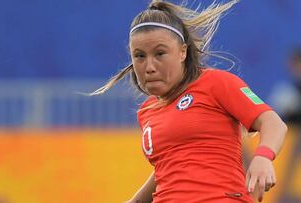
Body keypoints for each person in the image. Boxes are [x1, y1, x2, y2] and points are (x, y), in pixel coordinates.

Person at [91, 0, 287, 202]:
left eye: (160, 53)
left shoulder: (216, 83)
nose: (148, 66)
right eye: (139, 56)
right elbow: (168, 169)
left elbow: (274, 123)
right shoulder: (147, 111)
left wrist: (263, 157)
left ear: (182, 51)